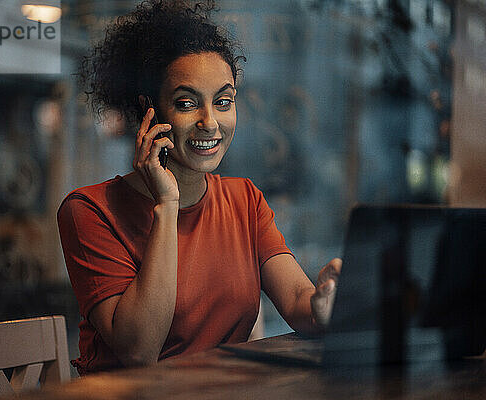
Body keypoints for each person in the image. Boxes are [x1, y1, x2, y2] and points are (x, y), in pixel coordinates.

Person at [57, 0, 341, 375]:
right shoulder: (89, 210)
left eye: (223, 101)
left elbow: (296, 301)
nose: (210, 122)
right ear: (150, 110)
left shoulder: (245, 200)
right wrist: (168, 204)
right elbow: (140, 352)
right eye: (188, 103)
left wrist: (322, 307)